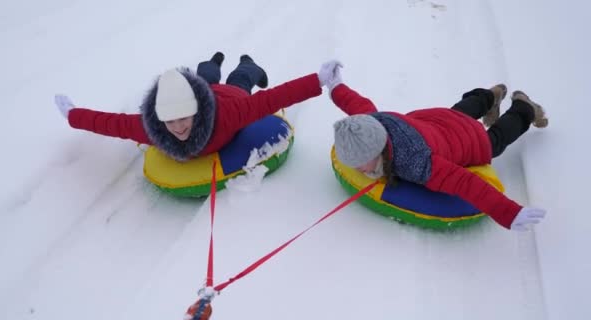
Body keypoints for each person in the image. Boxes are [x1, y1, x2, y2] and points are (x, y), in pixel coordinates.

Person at [322, 60, 548, 231]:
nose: (359, 169)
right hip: (436, 122)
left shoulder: (416, 161)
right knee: (458, 113)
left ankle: (524, 108)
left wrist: (509, 213)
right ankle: (490, 96)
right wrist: (334, 85)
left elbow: (465, 182)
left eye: (362, 162)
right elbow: (356, 104)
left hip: (467, 140)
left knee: (494, 141)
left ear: (378, 149)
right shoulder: (371, 124)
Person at [54, 53, 334, 162]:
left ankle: (249, 64)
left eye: (182, 119)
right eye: (170, 121)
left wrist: (319, 79)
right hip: (200, 89)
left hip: (228, 97)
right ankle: (211, 62)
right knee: (206, 75)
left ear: (195, 112)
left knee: (239, 80)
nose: (176, 128)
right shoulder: (154, 128)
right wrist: (72, 115)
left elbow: (272, 99)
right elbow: (111, 123)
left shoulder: (228, 116)